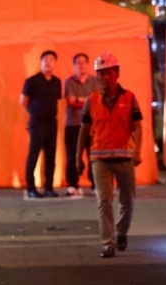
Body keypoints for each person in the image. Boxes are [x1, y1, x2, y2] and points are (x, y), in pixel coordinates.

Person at [76, 53, 142, 258]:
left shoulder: (129, 98)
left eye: (107, 74)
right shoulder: (91, 100)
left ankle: (121, 232)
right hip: (99, 159)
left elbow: (138, 127)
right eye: (100, 74)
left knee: (128, 200)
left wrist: (138, 151)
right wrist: (78, 157)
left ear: (117, 74)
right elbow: (84, 130)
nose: (103, 78)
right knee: (104, 200)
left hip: (124, 158)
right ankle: (108, 242)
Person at [20, 50, 62, 198]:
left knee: (51, 156)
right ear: (41, 62)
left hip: (52, 123)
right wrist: (34, 113)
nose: (48, 62)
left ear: (55, 63)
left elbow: (56, 100)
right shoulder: (32, 81)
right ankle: (31, 189)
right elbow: (23, 101)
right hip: (37, 122)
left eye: (51, 59)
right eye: (45, 59)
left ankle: (49, 188)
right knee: (34, 155)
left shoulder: (57, 82)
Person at [64, 53, 98, 195]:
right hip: (73, 124)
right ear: (74, 65)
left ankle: (96, 184)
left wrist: (81, 100)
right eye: (78, 63)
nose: (81, 65)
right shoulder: (69, 82)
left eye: (84, 62)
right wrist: (87, 100)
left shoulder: (95, 81)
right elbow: (71, 101)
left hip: (92, 124)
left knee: (94, 155)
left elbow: (97, 101)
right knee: (73, 155)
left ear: (87, 64)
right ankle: (73, 184)